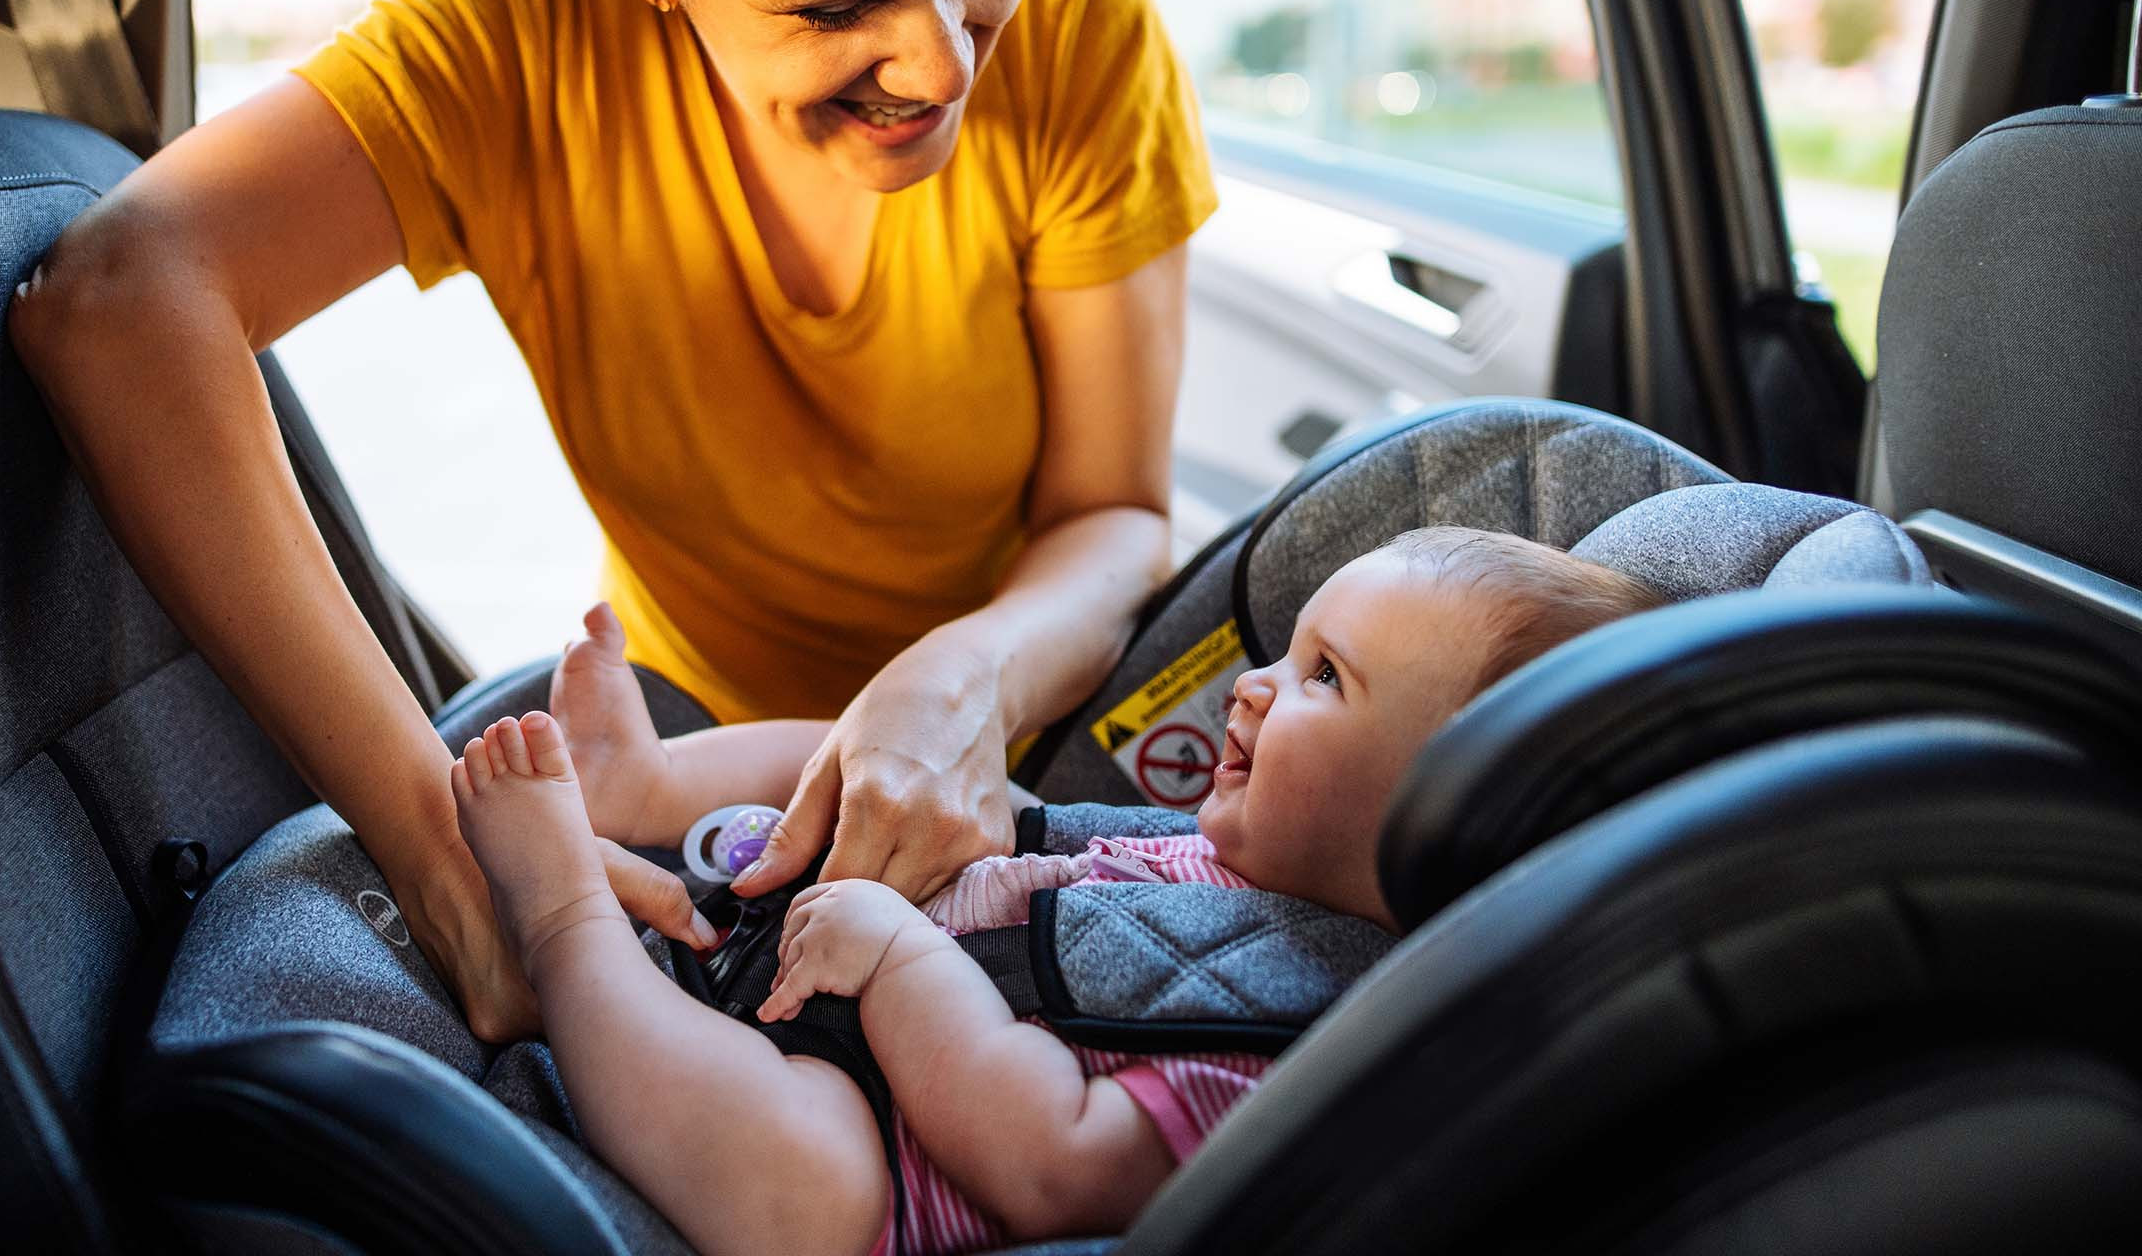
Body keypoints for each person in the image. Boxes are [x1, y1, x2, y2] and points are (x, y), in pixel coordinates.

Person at [10, 0, 1215, 1040]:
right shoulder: (523, 32)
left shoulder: (1084, 25)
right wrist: (452, 869)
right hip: (696, 747)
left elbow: (1110, 519)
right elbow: (116, 303)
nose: (943, 63)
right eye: (829, 10)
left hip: (1025, 729)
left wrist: (964, 678)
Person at [449, 528, 1669, 1255]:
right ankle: (642, 789)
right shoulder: (1232, 852)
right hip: (864, 916)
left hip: (872, 1119)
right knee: (870, 753)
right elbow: (1044, 857)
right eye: (1284, 650)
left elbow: (1052, 1160)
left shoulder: (1304, 1049)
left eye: (1322, 681)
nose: (1247, 687)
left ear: (1443, 821)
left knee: (805, 1203)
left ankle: (559, 924)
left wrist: (898, 962)